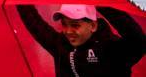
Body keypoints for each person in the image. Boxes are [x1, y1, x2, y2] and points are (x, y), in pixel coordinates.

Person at [17, 4, 146, 77]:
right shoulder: (60, 44)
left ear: (93, 26)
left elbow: (138, 41)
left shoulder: (112, 47)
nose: (67, 31)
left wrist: (101, 2)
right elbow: (34, 23)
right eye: (64, 24)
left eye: (75, 25)